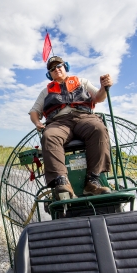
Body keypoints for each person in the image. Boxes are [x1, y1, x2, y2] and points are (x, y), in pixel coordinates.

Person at [29, 56, 113, 200]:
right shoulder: (45, 92)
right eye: (52, 68)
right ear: (49, 74)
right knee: (49, 136)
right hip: (59, 123)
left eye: (59, 66)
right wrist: (37, 122)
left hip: (84, 118)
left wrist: (104, 87)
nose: (56, 69)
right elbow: (34, 111)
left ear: (65, 66)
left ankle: (93, 181)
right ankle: (62, 182)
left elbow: (99, 97)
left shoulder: (82, 82)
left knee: (98, 128)